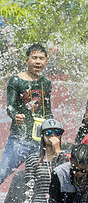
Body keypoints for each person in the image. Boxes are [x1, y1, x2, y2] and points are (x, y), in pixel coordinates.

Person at [0, 44, 53, 185]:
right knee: (2, 172)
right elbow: (9, 107)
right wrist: (15, 115)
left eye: (41, 58)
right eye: (34, 58)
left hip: (39, 140)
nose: (38, 61)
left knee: (41, 180)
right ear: (26, 60)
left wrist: (53, 132)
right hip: (19, 139)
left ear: (46, 61)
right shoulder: (16, 80)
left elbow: (47, 111)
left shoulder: (46, 83)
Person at [24, 119, 70, 202]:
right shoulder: (33, 159)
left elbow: (68, 180)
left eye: (57, 132)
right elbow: (29, 190)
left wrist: (58, 151)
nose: (53, 136)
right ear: (42, 135)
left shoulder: (66, 157)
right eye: (48, 133)